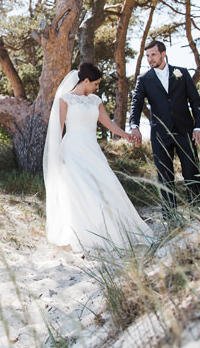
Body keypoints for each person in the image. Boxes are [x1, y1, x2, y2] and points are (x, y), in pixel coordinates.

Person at [43, 62, 152, 253]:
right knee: (81, 191)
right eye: (95, 83)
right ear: (85, 81)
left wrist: (126, 135)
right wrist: (57, 153)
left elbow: (108, 123)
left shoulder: (95, 100)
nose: (97, 87)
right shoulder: (64, 100)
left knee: (106, 187)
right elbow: (58, 128)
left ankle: (109, 230)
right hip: (72, 150)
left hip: (91, 149)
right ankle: (85, 234)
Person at [128, 40, 200, 216]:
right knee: (164, 176)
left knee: (191, 172)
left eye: (153, 55)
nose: (150, 59)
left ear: (163, 54)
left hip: (185, 130)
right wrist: (134, 126)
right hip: (160, 135)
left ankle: (198, 211)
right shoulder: (144, 79)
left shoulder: (182, 73)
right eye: (147, 56)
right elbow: (136, 104)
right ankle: (170, 216)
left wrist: (199, 126)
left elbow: (195, 101)